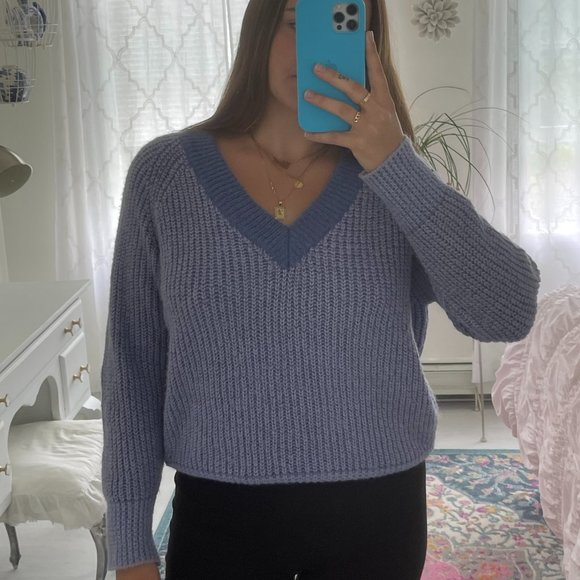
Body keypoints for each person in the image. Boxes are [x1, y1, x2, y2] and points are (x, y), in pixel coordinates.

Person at [101, 0, 542, 578]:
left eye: (342, 23)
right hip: (218, 509)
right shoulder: (165, 176)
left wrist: (394, 163)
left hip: (378, 508)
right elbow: (132, 365)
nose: (316, 49)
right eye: (297, 21)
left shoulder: (395, 179)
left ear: (371, 42)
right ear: (260, 26)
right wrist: (130, 539)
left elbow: (509, 311)